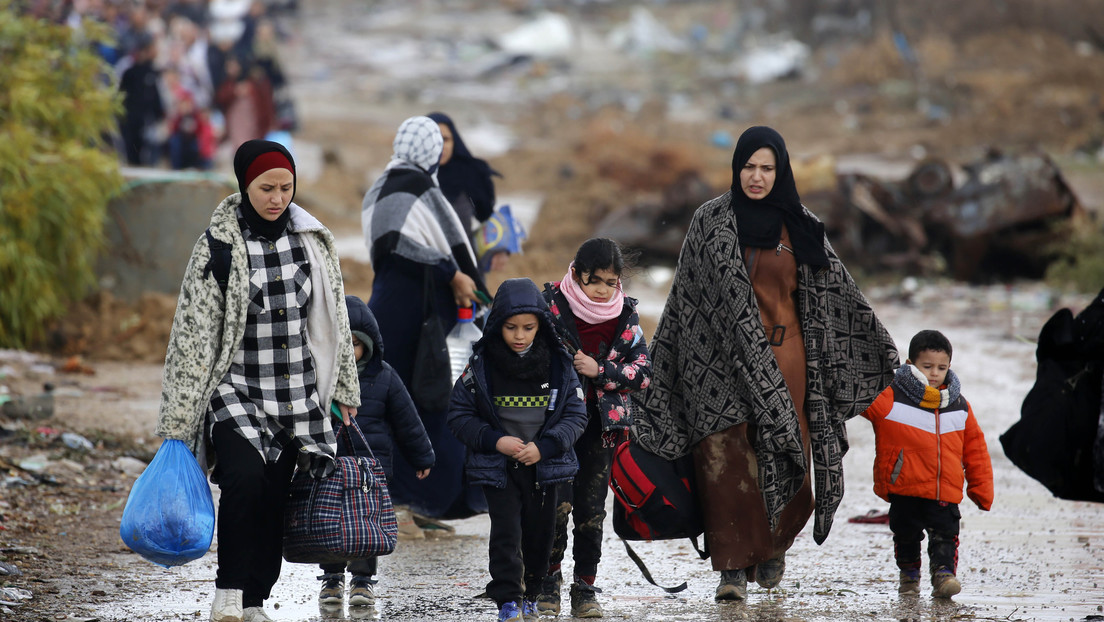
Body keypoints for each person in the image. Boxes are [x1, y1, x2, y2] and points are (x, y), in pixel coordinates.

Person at [633, 125, 899, 601]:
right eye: (748, 167)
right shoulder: (709, 222)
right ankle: (732, 570)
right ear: (736, 169)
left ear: (781, 171)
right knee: (724, 460)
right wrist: (667, 366)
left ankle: (774, 545)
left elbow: (836, 294)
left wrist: (874, 346)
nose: (756, 177)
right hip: (717, 364)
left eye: (766, 168)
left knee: (781, 447)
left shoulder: (800, 225)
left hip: (786, 359)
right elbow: (684, 300)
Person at [155, 139, 361, 622]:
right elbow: (192, 335)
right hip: (237, 391)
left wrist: (344, 390)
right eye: (266, 187)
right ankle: (228, 591)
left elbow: (336, 320)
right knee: (244, 483)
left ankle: (254, 601)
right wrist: (179, 424)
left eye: (286, 187)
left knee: (274, 495)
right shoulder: (218, 247)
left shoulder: (313, 241)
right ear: (245, 186)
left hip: (295, 395)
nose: (277, 197)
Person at [362, 116, 491, 521]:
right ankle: (434, 499)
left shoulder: (380, 186)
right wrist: (452, 273)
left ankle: (400, 497)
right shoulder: (417, 185)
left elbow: (391, 245)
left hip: (389, 307)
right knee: (434, 399)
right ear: (431, 151)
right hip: (426, 313)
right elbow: (406, 245)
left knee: (396, 401)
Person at [446, 278, 588, 622]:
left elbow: (576, 414)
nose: (520, 335)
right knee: (507, 532)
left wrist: (545, 447)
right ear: (498, 324)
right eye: (511, 327)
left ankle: (534, 592)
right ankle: (509, 598)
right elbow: (458, 414)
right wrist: (496, 441)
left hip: (544, 466)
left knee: (540, 533)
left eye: (529, 327)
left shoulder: (559, 364)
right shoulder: (480, 366)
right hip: (499, 467)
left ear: (541, 325)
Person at [537, 238, 652, 618]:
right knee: (556, 507)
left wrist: (600, 371)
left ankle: (585, 588)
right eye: (594, 281)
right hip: (555, 428)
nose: (602, 290)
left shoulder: (625, 316)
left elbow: (643, 373)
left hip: (600, 431)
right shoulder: (550, 309)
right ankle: (547, 583)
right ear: (575, 274)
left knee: (590, 512)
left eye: (610, 282)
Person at [317, 296, 436, 607]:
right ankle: (331, 578)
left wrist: (421, 456)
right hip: (330, 468)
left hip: (370, 472)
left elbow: (407, 421)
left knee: (366, 525)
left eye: (355, 344)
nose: (349, 351)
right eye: (343, 342)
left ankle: (362, 580)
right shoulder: (321, 379)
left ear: (368, 345)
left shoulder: (384, 377)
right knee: (329, 522)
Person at [860, 329, 993, 598]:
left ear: (949, 367)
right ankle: (909, 577)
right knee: (906, 537)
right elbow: (858, 398)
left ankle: (943, 575)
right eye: (927, 366)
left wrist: (981, 489)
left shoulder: (958, 406)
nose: (934, 373)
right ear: (910, 365)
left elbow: (975, 450)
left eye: (941, 367)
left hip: (944, 490)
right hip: (904, 488)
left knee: (946, 535)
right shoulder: (890, 397)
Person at [426, 112, 508, 272]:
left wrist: (501, 248)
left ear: (454, 139)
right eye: (433, 139)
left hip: (466, 268)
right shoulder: (414, 178)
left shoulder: (470, 173)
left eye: (446, 139)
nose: (441, 146)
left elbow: (486, 216)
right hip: (425, 271)